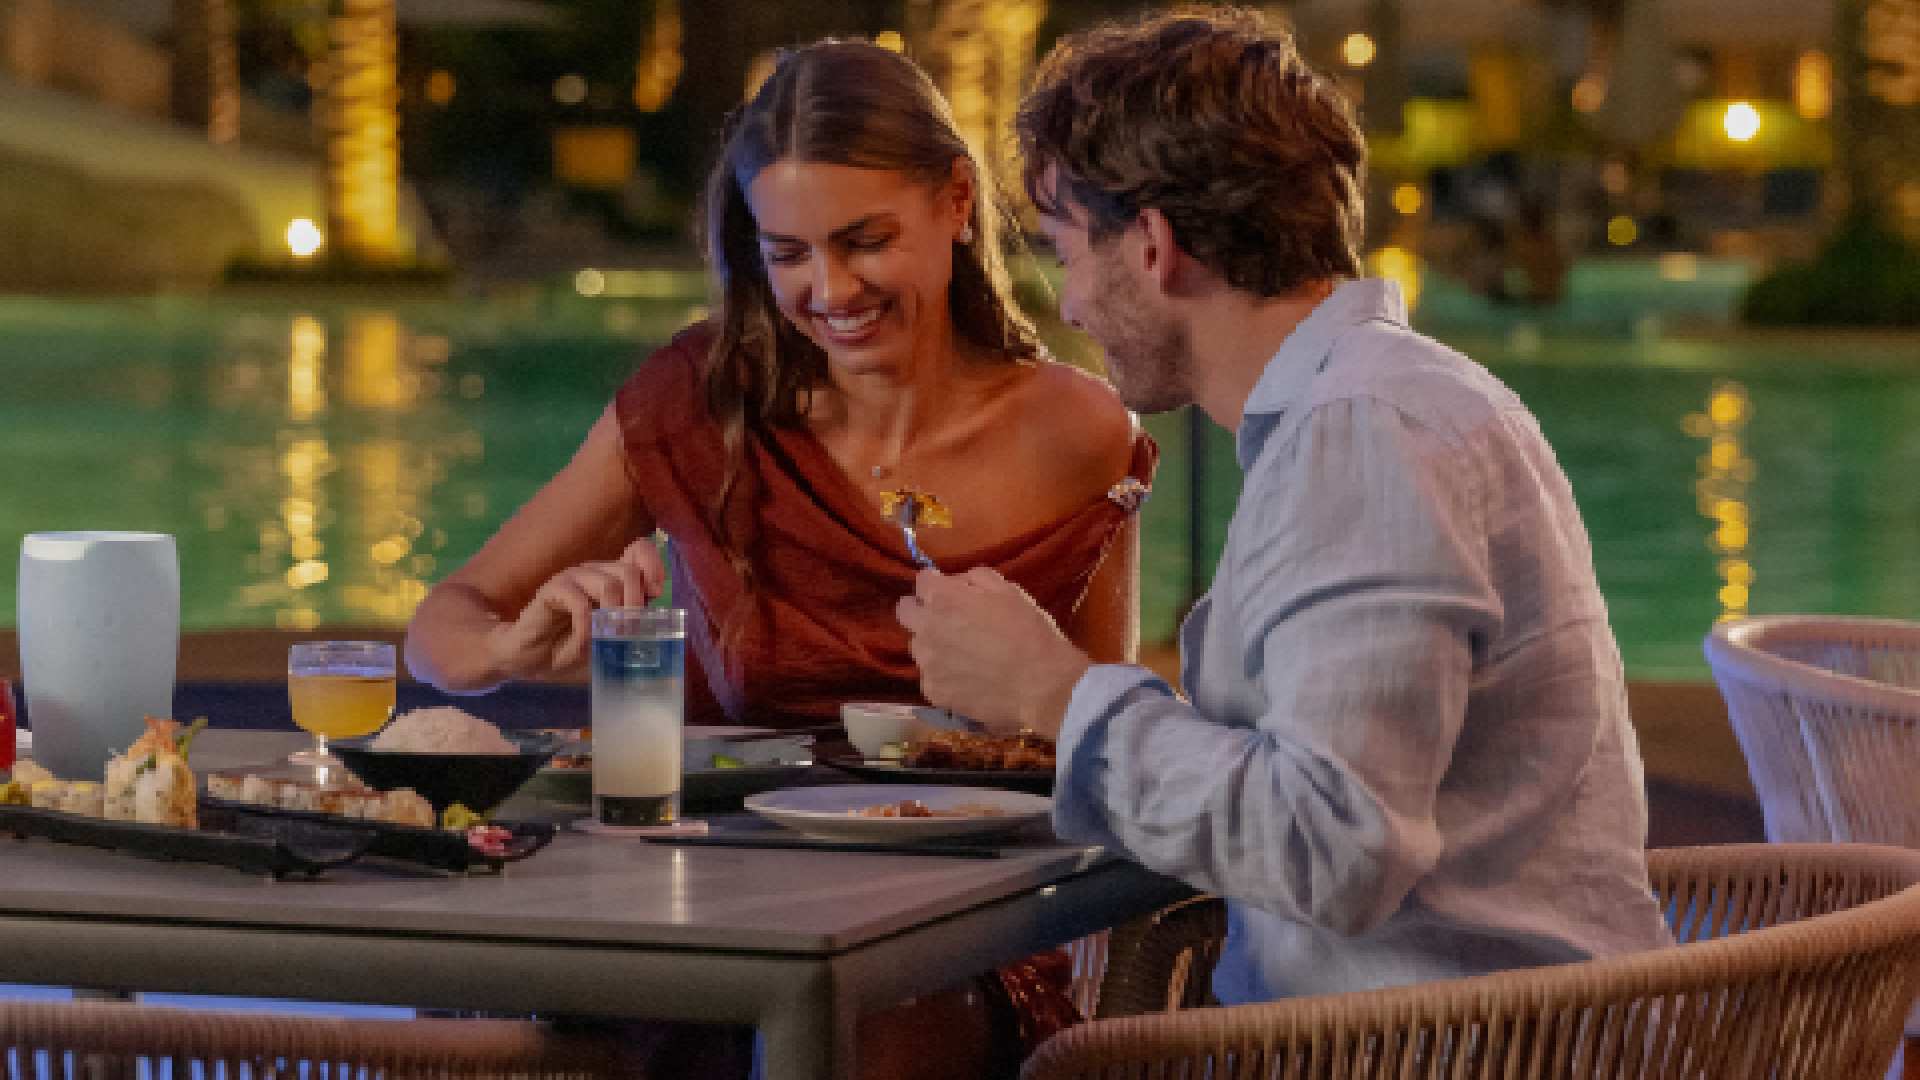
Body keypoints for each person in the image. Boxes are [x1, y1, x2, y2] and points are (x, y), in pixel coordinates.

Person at [404, 37, 1152, 1078]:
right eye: (787, 252)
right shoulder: (701, 401)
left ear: (955, 202)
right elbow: (444, 623)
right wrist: (507, 651)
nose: (829, 289)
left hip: (953, 928)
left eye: (865, 240)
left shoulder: (1079, 433)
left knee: (865, 1023)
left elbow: (1095, 740)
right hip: (697, 906)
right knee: (469, 1002)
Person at [897, 6, 1674, 1009]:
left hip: (1438, 1051)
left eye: (1066, 248)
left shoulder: (1366, 438)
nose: (1072, 303)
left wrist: (1055, 691)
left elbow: (1330, 845)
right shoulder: (1386, 405)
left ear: (1153, 245)